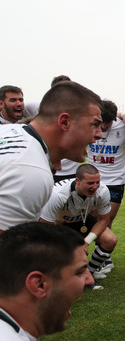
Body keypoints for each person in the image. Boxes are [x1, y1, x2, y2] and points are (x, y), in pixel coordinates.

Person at [0, 82, 103, 233]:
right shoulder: (30, 171)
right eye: (94, 124)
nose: (99, 134)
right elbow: (8, 251)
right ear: (65, 122)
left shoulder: (11, 131)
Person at [39, 164, 117, 283]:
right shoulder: (57, 194)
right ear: (77, 181)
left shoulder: (102, 191)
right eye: (90, 183)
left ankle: (89, 273)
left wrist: (86, 242)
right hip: (58, 224)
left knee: (110, 240)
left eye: (97, 182)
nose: (95, 186)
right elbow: (44, 228)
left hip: (82, 219)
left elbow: (104, 220)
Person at [88, 100, 125, 233]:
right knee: (90, 219)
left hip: (115, 181)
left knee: (107, 220)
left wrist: (124, 114)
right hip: (93, 180)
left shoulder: (123, 127)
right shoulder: (88, 126)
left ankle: (103, 253)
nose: (104, 126)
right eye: (102, 122)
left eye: (108, 122)